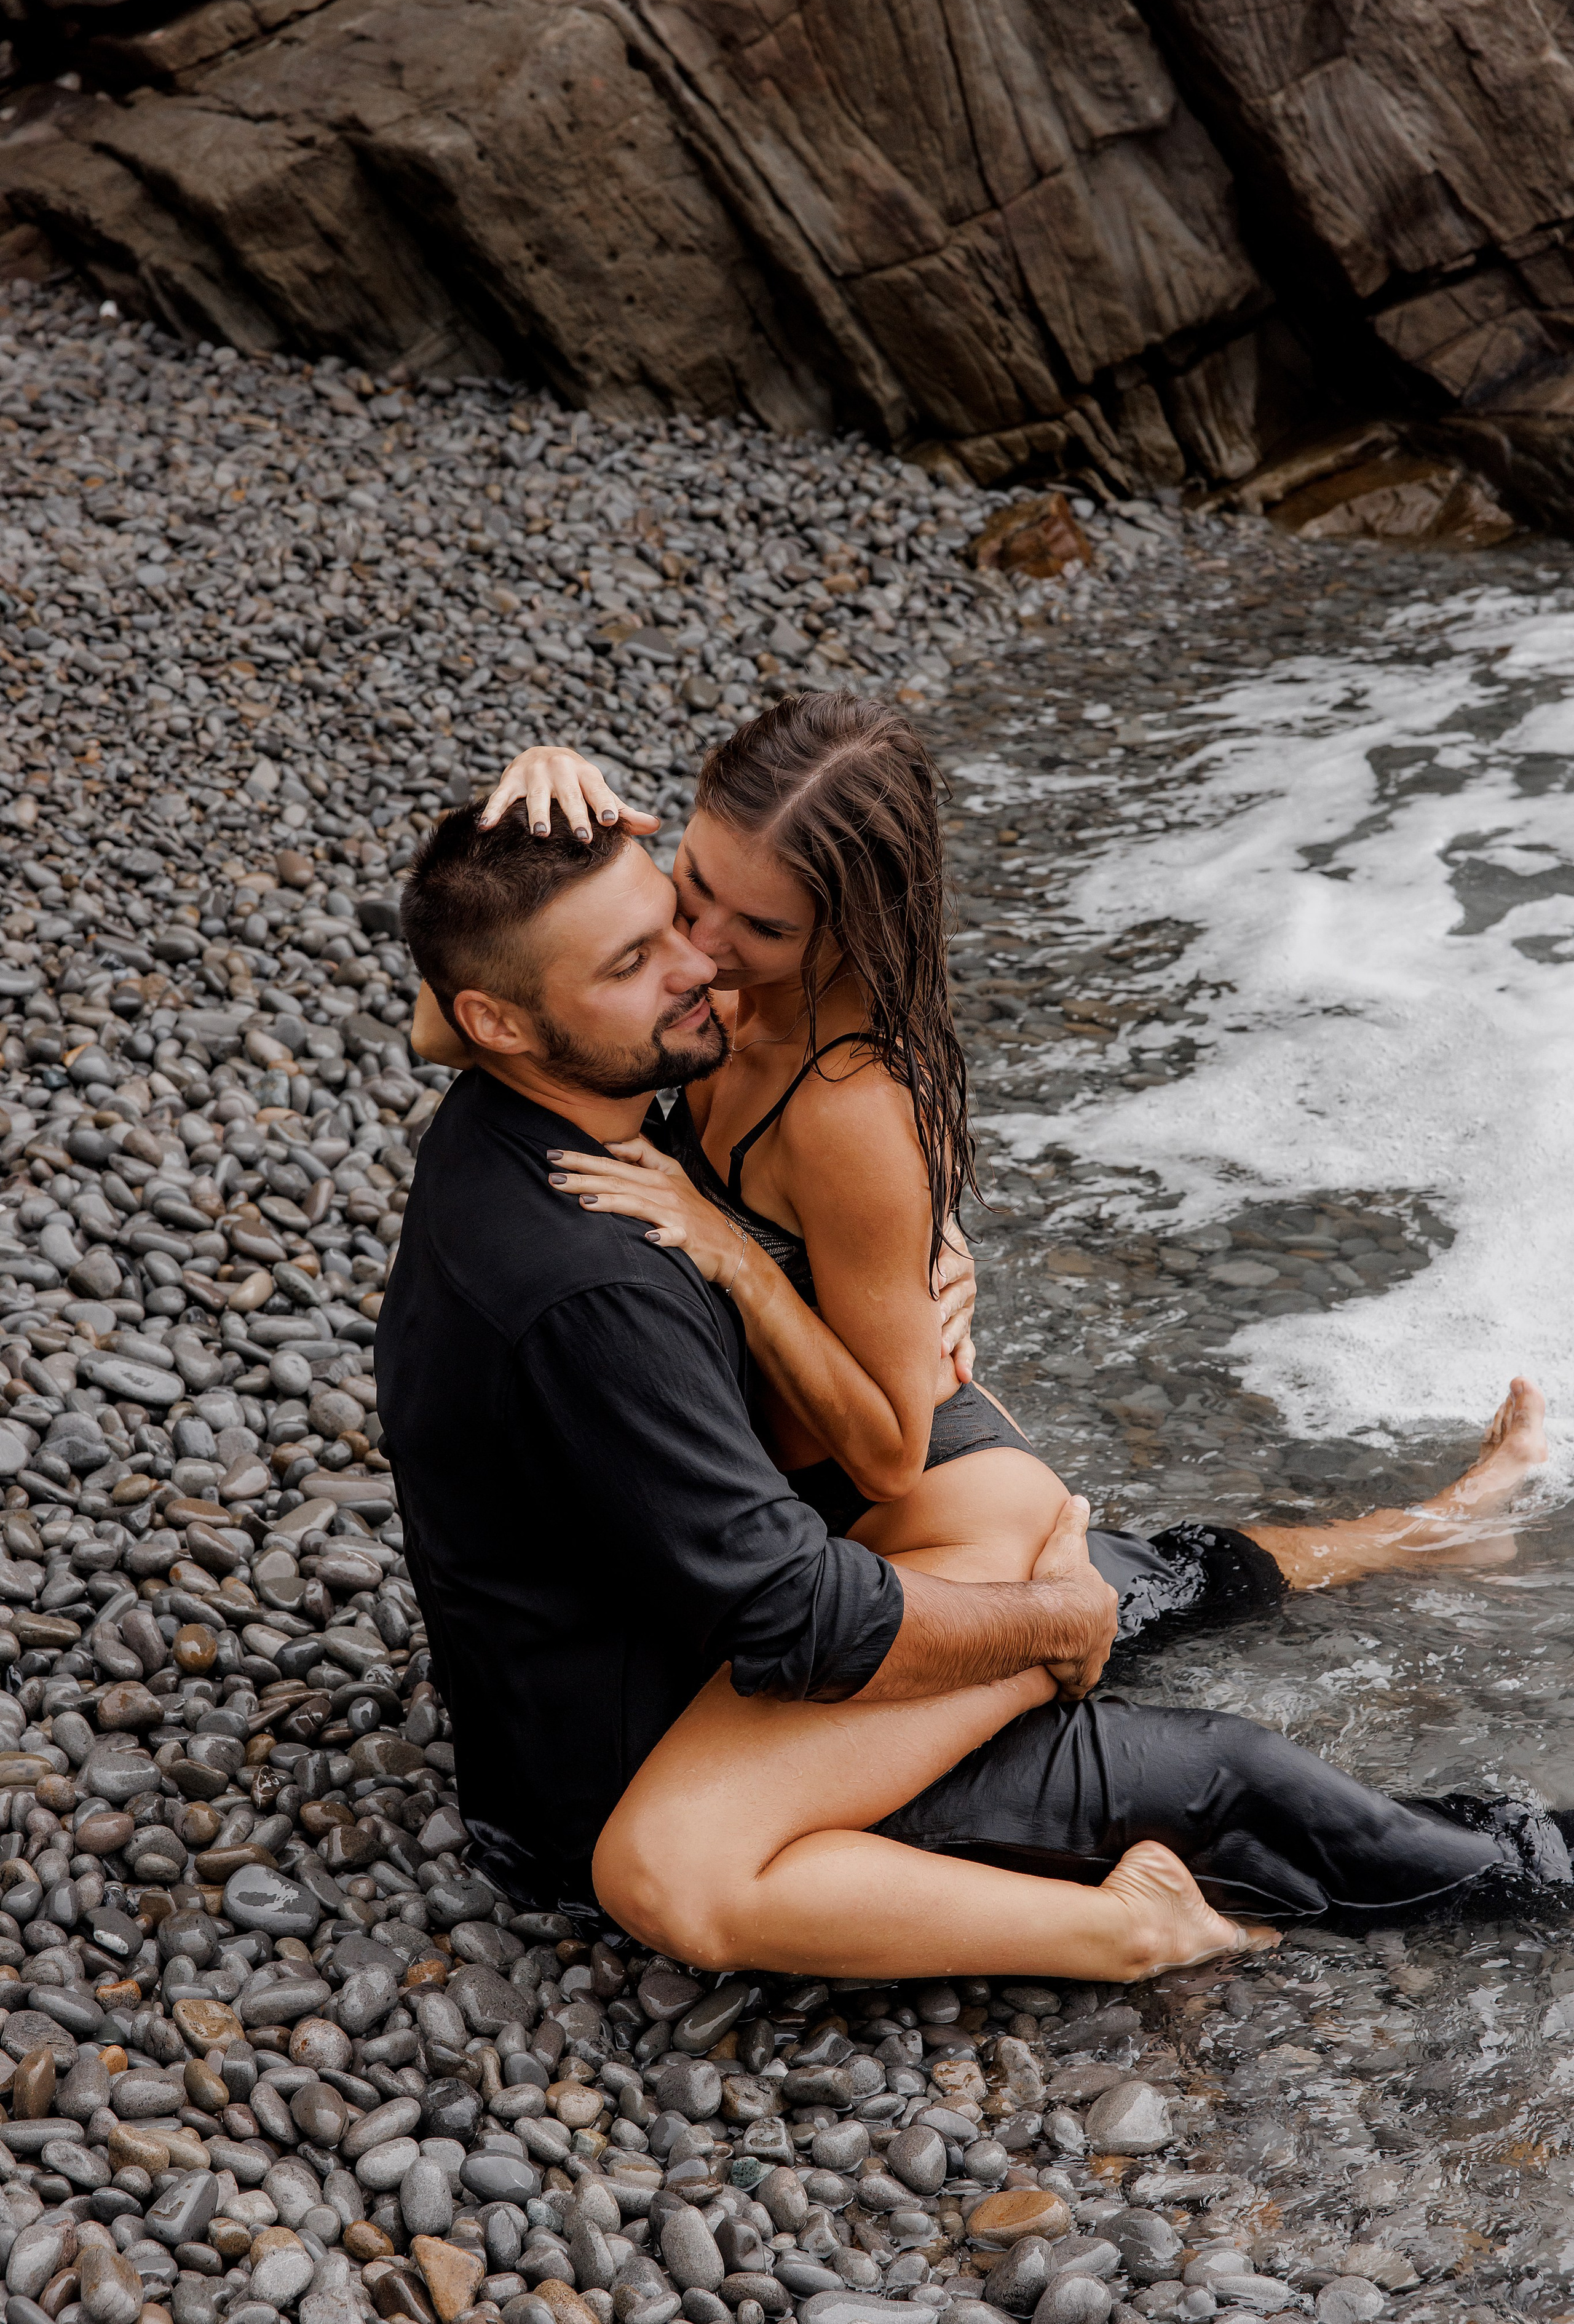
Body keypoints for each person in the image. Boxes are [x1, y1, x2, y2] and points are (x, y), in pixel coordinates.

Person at [377, 800, 1573, 1981]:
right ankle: (1530, 1867)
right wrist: (1049, 1623)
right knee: (1205, 1771)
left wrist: (900, 1256)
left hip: (662, 1637)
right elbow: (797, 1620)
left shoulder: (524, 1104)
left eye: (674, 913)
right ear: (505, 1019)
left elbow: (466, 987)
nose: (700, 962)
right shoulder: (593, 1285)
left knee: (1115, 1571)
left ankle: (1424, 1535)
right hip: (651, 1758)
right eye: (639, 955)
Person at [409, 700, 1547, 1625]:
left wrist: (734, 1260)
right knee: (1151, 1564)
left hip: (902, 1488)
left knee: (1171, 1589)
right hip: (830, 1430)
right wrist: (525, 804)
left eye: (756, 931)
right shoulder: (710, 995)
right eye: (688, 885)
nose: (701, 951)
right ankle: (1445, 1526)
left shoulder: (848, 1105)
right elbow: (453, 1020)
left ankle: (1444, 1527)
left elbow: (895, 1454)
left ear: (854, 932)